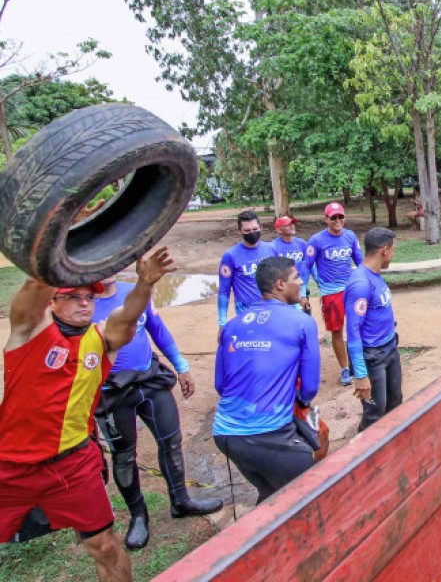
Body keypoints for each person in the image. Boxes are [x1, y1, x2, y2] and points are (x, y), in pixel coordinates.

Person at [0, 248, 176, 582]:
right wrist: (67, 237)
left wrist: (144, 284)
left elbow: (126, 318)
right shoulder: (27, 332)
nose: (85, 302)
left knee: (106, 547)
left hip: (72, 464)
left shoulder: (99, 340)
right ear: (52, 302)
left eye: (89, 297)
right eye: (73, 296)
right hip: (9, 465)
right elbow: (34, 287)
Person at [92, 274, 223, 550]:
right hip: (112, 390)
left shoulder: (135, 293)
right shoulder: (83, 303)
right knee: (124, 456)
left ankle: (181, 501)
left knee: (171, 443)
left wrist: (182, 366)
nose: (110, 270)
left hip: (150, 381)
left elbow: (158, 329)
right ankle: (138, 516)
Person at [213, 257, 321, 504]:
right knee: (307, 497)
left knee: (272, 492)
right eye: (296, 277)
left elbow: (220, 385)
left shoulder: (232, 325)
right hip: (269, 433)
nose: (302, 281)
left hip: (225, 435)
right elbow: (310, 388)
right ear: (280, 284)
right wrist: (292, 399)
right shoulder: (303, 322)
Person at [345, 227, 402, 431]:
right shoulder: (360, 284)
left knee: (395, 404)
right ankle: (363, 456)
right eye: (393, 250)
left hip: (389, 349)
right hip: (373, 357)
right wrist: (360, 375)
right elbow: (352, 333)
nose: (393, 255)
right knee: (374, 414)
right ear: (384, 250)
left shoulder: (375, 275)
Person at [304, 202, 363, 385]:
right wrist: (303, 293)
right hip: (331, 292)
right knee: (337, 331)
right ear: (326, 219)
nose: (337, 221)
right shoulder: (316, 240)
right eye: (333, 217)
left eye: (340, 217)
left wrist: (369, 283)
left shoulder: (351, 236)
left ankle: (358, 364)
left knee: (358, 326)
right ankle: (345, 369)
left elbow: (360, 261)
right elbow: (306, 266)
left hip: (351, 290)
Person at [218, 210, 276, 328]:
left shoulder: (271, 249)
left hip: (272, 311)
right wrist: (222, 322)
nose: (252, 233)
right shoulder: (230, 255)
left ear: (261, 227)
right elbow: (224, 291)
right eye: (247, 230)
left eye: (255, 229)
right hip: (247, 315)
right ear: (239, 231)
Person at [271, 215, 311, 313]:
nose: (292, 226)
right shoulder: (273, 246)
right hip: (284, 289)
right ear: (279, 230)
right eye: (287, 225)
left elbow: (307, 264)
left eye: (292, 223)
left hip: (300, 285)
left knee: (304, 313)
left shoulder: (301, 243)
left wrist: (304, 288)